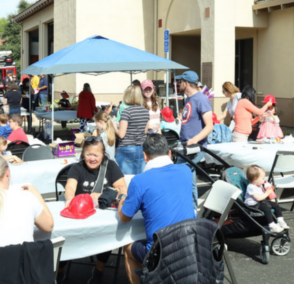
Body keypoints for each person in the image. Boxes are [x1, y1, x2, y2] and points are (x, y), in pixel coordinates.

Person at [118, 134, 195, 284]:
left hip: (160, 252)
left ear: (145, 156)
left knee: (127, 246)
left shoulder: (139, 181)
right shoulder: (185, 170)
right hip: (190, 245)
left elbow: (124, 218)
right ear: (170, 153)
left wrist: (122, 198)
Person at [64, 137, 127, 283]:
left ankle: (99, 270)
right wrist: (69, 199)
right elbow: (70, 186)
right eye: (88, 154)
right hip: (80, 216)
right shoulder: (77, 168)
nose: (92, 158)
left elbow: (123, 189)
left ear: (103, 154)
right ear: (83, 154)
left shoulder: (110, 166)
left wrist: (102, 195)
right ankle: (60, 271)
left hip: (103, 217)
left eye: (96, 155)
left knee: (108, 234)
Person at [175, 70, 213, 213]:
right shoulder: (189, 99)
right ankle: (191, 210)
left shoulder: (201, 99)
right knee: (187, 179)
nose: (178, 84)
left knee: (181, 176)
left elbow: (210, 126)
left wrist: (194, 139)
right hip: (185, 147)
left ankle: (190, 211)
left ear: (186, 83)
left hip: (195, 147)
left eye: (180, 82)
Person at [114, 85, 149, 175]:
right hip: (141, 148)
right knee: (139, 178)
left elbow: (121, 134)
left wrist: (114, 126)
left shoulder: (126, 112)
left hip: (126, 149)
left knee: (125, 180)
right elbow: (145, 131)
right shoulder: (146, 111)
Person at [244, 165, 289, 233]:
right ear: (255, 179)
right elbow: (258, 198)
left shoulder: (259, 185)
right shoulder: (251, 187)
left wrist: (268, 189)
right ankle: (271, 225)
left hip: (260, 202)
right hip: (253, 204)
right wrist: (267, 193)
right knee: (266, 208)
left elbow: (263, 196)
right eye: (262, 178)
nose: (264, 179)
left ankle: (280, 221)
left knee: (275, 205)